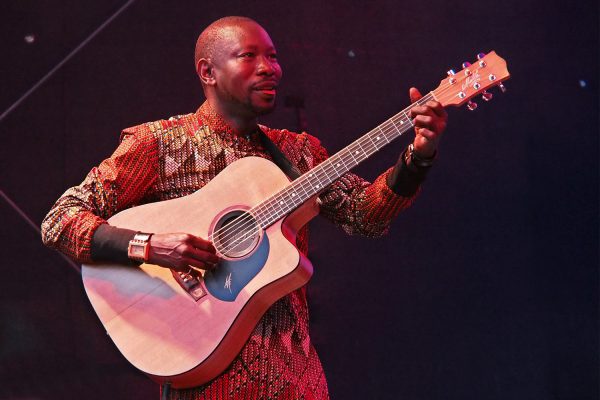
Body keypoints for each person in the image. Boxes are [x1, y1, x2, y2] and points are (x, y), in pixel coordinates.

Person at [41, 16, 447, 399]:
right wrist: (149, 245)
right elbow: (61, 219)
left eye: (272, 56)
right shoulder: (158, 144)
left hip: (295, 378)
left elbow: (366, 217)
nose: (269, 67)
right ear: (208, 72)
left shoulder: (297, 152)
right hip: (205, 377)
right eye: (249, 56)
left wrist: (419, 156)